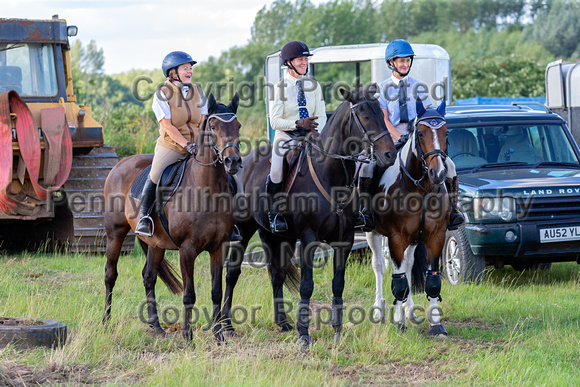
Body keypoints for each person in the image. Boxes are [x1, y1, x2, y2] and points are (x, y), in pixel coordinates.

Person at [135, 50, 241, 241]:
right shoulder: (162, 94)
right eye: (185, 68)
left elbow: (203, 121)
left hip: (198, 145)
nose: (190, 71)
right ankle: (144, 217)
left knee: (226, 174)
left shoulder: (197, 91)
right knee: (156, 173)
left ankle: (231, 222)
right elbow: (167, 125)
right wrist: (186, 144)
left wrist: (200, 143)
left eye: (190, 68)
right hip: (172, 146)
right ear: (172, 72)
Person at [376, 39, 464, 230]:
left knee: (450, 166)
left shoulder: (420, 87)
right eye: (401, 61)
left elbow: (427, 114)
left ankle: (454, 210)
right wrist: (399, 138)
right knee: (367, 166)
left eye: (408, 61)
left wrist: (436, 119)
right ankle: (366, 212)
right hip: (393, 137)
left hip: (418, 136)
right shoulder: (383, 88)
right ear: (391, 63)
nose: (405, 64)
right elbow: (384, 120)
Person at [267, 40, 327, 233]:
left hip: (311, 136)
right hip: (286, 136)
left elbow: (322, 114)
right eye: (300, 59)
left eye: (306, 59)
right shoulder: (279, 88)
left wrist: (316, 132)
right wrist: (297, 124)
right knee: (276, 170)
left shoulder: (314, 86)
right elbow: (275, 121)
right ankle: (274, 213)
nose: (304, 63)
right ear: (289, 62)